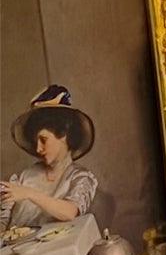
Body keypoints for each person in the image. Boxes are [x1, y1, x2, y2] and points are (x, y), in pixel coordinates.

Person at [1, 86, 98, 229]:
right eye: (35, 142)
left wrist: (29, 193)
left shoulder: (80, 178)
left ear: (64, 135)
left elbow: (70, 213)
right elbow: (3, 222)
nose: (38, 149)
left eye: (43, 140)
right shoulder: (23, 178)